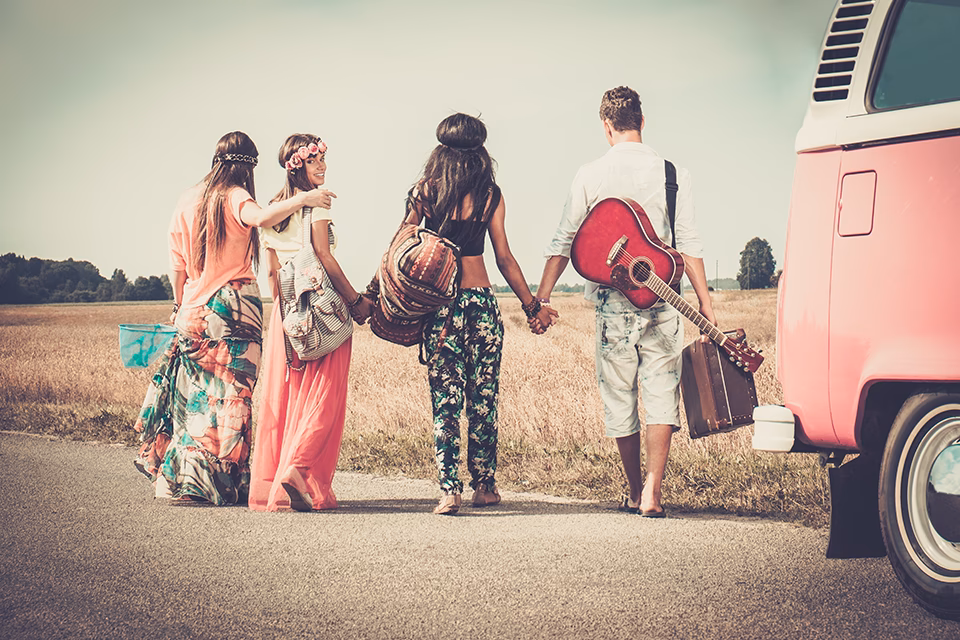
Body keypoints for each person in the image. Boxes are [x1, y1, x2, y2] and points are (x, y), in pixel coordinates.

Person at [534, 87, 716, 518]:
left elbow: (563, 241)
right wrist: (706, 305)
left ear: (606, 126)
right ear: (642, 121)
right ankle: (654, 490)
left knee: (619, 394)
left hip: (613, 303)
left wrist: (540, 299)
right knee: (661, 389)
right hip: (665, 297)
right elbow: (688, 245)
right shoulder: (673, 174)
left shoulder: (591, 173)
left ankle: (635, 490)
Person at [133, 131, 334, 506]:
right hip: (233, 310)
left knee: (195, 398)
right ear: (248, 166)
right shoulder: (235, 195)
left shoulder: (186, 199)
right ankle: (217, 485)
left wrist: (181, 306)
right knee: (231, 398)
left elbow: (177, 266)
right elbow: (259, 218)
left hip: (192, 310)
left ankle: (175, 481)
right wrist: (305, 198)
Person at [390, 113, 557, 515]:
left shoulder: (426, 191)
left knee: (445, 399)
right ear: (481, 152)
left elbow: (400, 245)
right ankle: (484, 486)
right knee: (483, 398)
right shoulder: (490, 193)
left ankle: (449, 490)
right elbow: (504, 257)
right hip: (480, 304)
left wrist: (379, 295)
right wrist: (532, 306)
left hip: (440, 307)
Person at [248, 134, 374, 512]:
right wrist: (354, 301)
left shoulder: (272, 210)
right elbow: (324, 256)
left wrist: (286, 317)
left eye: (323, 161)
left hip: (286, 314)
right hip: (320, 312)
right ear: (296, 165)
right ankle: (299, 469)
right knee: (325, 393)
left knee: (287, 398)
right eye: (314, 161)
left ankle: (281, 475)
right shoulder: (317, 205)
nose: (321, 167)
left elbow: (270, 271)